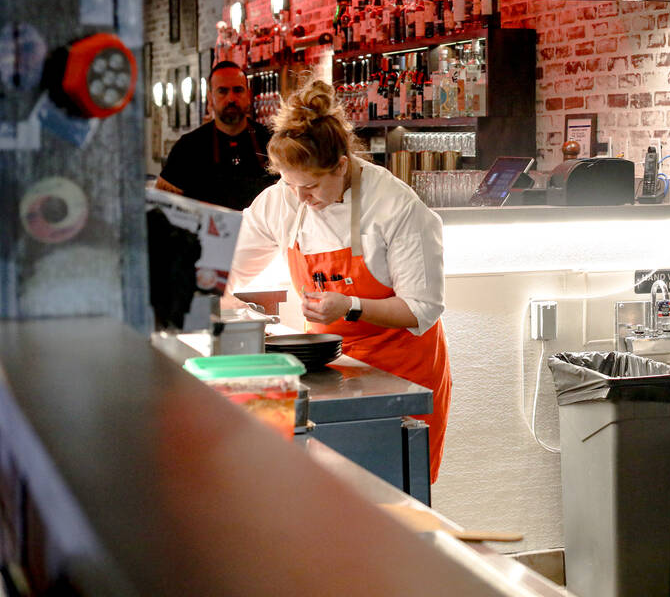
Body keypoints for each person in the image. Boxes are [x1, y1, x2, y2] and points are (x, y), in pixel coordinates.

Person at [228, 79, 452, 482]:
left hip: (401, 373)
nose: (302, 198)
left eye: (311, 186)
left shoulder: (394, 206)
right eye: (291, 184)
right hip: (331, 373)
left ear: (342, 165)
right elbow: (228, 265)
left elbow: (422, 307)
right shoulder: (282, 199)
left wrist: (349, 306)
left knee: (395, 498)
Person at [155, 61, 277, 210]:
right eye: (222, 91)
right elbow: (163, 205)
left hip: (259, 232)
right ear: (210, 97)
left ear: (248, 95)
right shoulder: (188, 147)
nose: (231, 98)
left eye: (238, 90)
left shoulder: (271, 141)